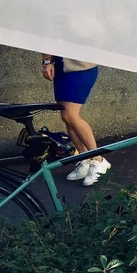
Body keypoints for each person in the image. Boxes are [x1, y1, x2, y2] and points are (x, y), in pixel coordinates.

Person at [41, 54, 109, 185]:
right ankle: (85, 158)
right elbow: (48, 37)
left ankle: (98, 159)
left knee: (71, 115)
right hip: (61, 67)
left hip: (81, 67)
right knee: (66, 116)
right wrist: (47, 62)